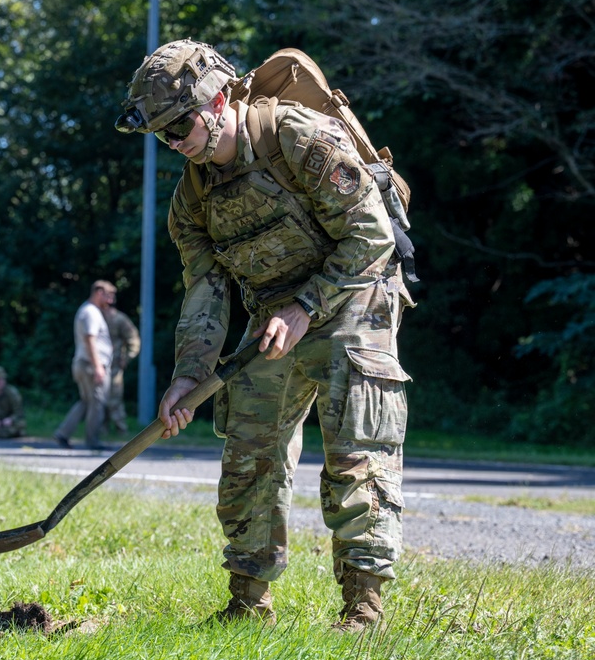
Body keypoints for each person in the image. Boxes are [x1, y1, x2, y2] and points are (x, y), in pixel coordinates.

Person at [115, 39, 414, 630]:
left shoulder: (298, 137)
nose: (175, 143)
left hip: (352, 294)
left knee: (356, 453)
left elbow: (370, 238)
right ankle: (248, 603)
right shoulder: (192, 198)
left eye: (181, 126)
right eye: (162, 135)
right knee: (251, 450)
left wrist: (306, 306)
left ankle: (364, 609)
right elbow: (205, 290)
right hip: (272, 311)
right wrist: (189, 374)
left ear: (219, 100)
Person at [53, 280, 116, 450]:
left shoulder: (89, 311)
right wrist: (98, 367)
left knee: (87, 401)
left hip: (85, 363)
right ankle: (92, 441)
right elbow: (90, 338)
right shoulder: (91, 312)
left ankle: (63, 433)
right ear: (98, 292)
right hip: (90, 364)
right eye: (108, 296)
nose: (110, 301)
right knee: (97, 402)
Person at [103, 302, 141, 435]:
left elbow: (134, 340)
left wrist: (127, 357)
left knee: (115, 399)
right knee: (100, 399)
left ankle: (121, 429)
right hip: (99, 365)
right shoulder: (97, 315)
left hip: (114, 366)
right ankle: (103, 430)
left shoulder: (119, 318)